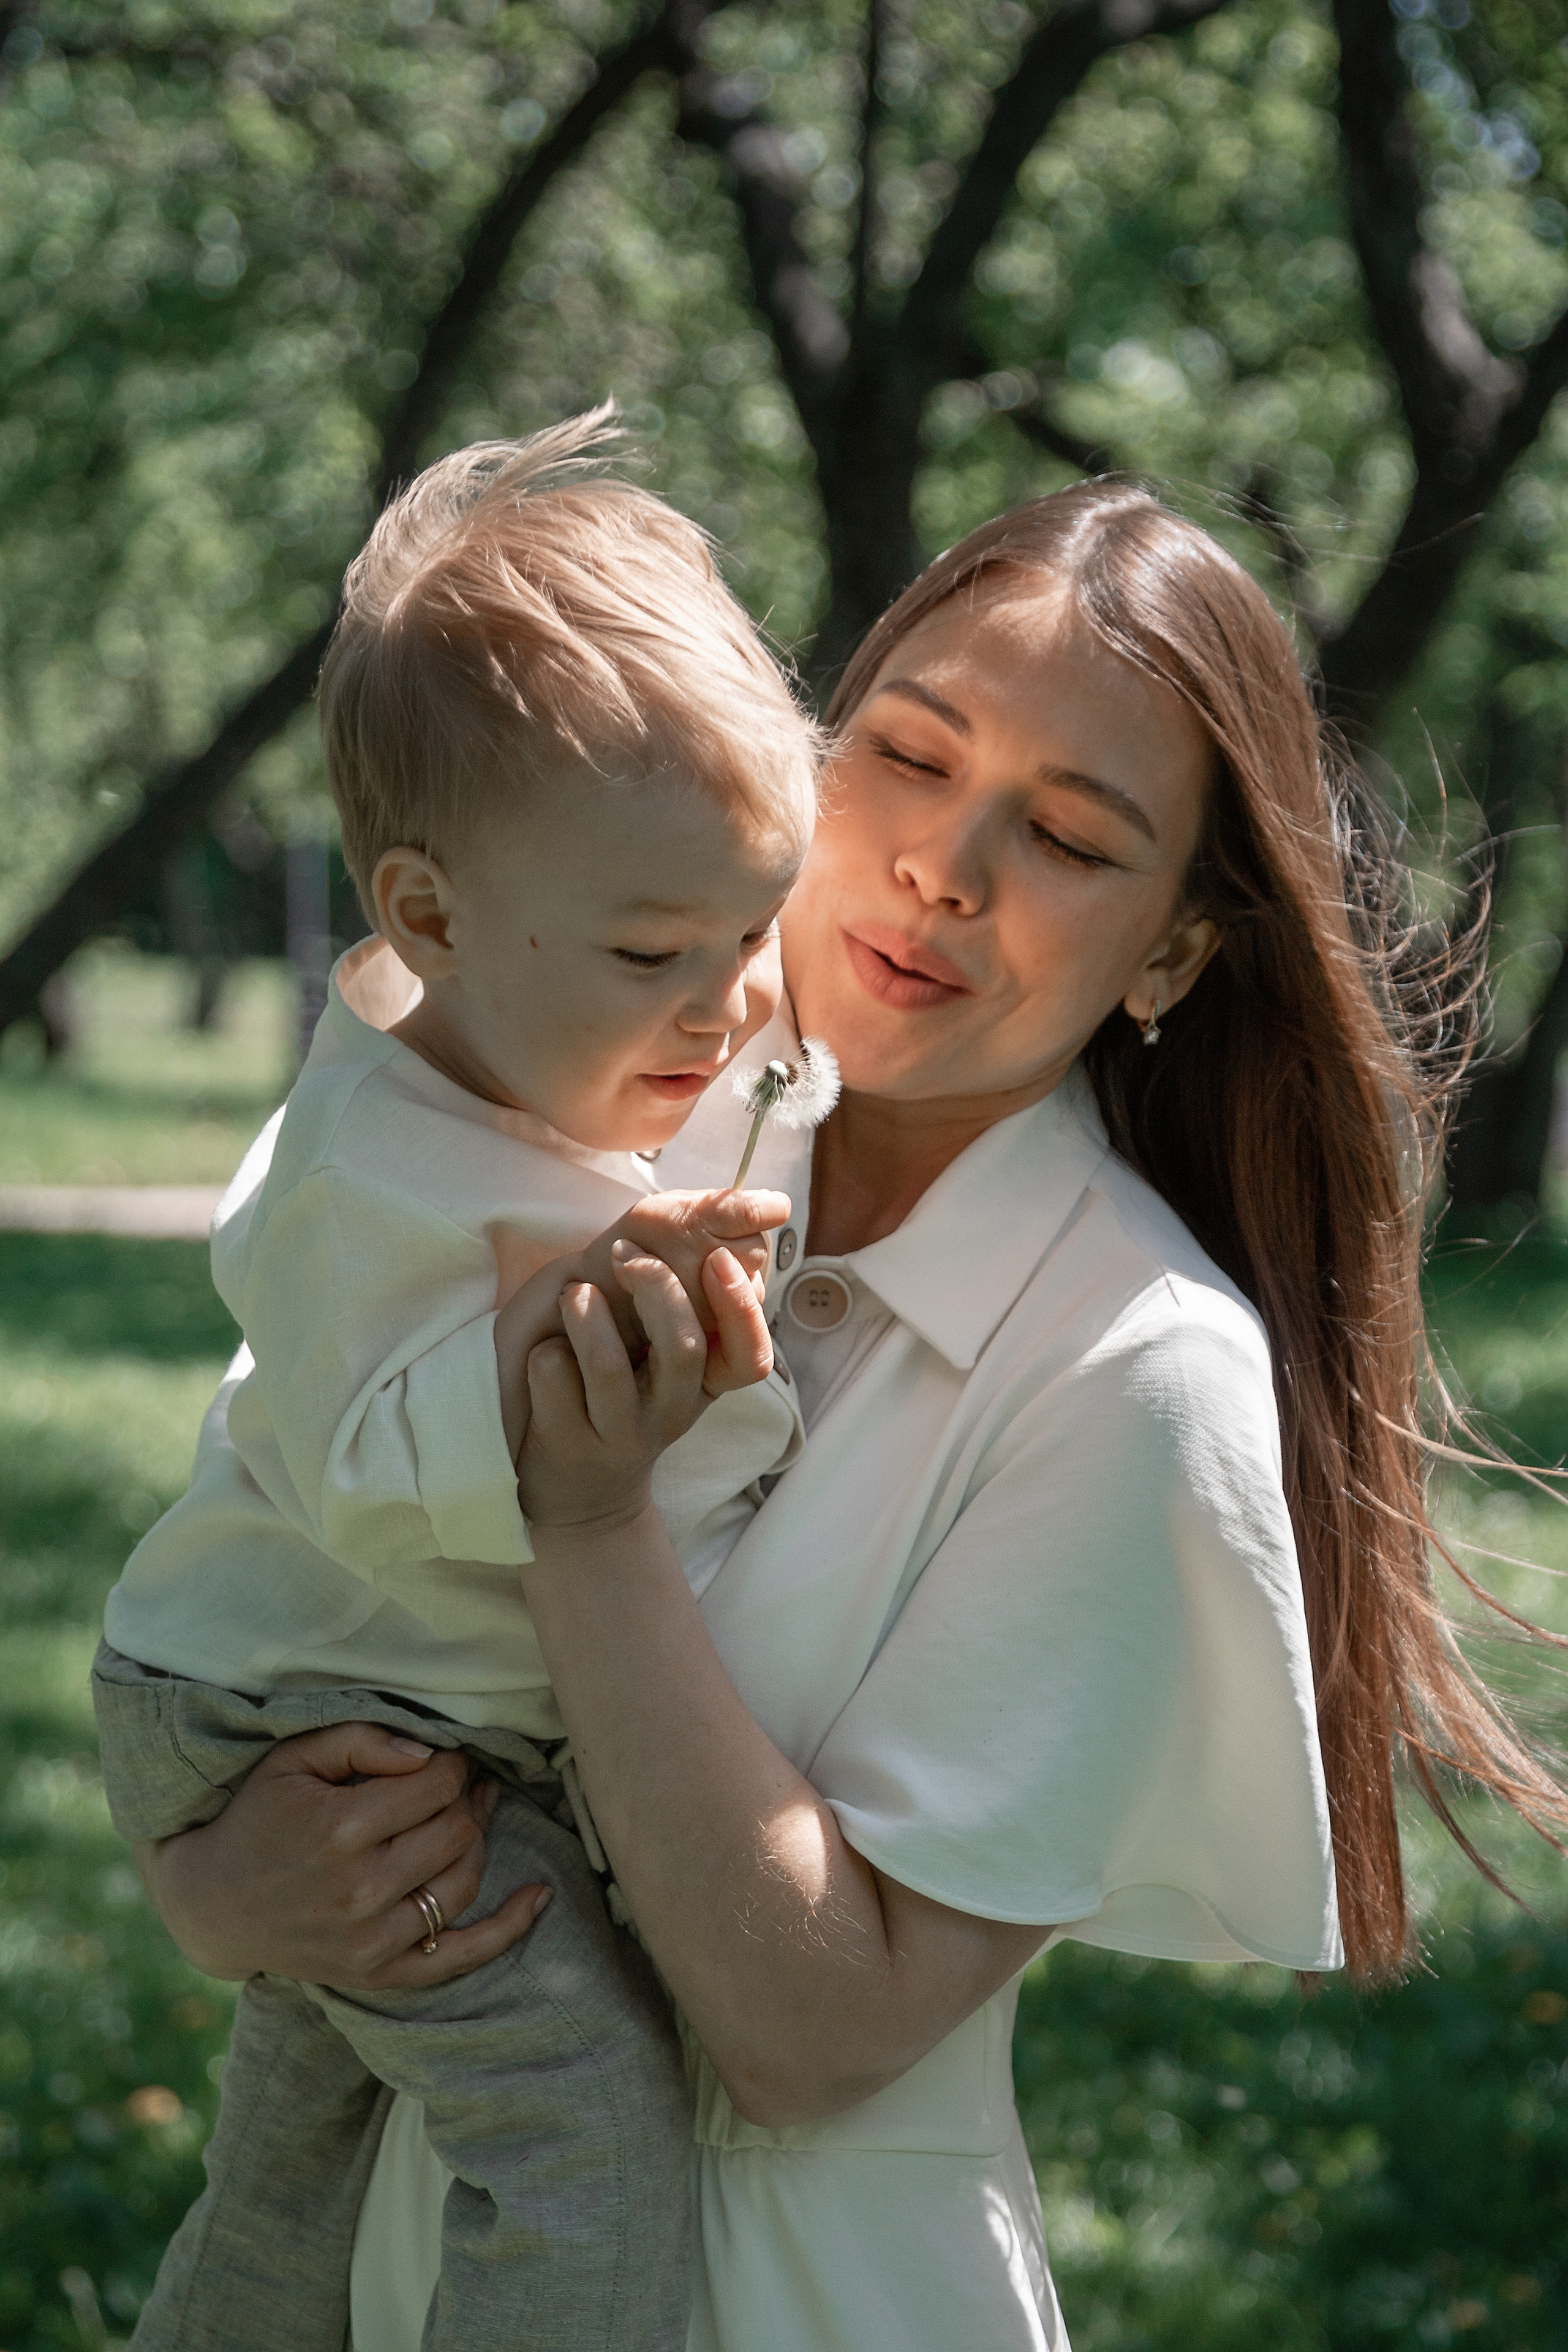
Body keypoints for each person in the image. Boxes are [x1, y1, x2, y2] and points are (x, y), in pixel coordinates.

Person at [129, 481, 1568, 2352]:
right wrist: (215, 1881)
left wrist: (591, 1518)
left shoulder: (1137, 1370)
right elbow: (267, 1570)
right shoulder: (582, 1088)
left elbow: (819, 2036)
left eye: (1064, 837)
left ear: (1172, 954)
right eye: (905, 754)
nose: (945, 867)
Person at [93, 416, 827, 2352]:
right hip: (315, 1721)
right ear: (424, 920)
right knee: (579, 2127)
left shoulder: (578, 1029)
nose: (730, 1001)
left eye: (758, 929)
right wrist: (566, 1349)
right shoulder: (374, 1171)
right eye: (660, 948)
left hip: (356, 1710)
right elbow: (362, 1453)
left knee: (291, 2183)